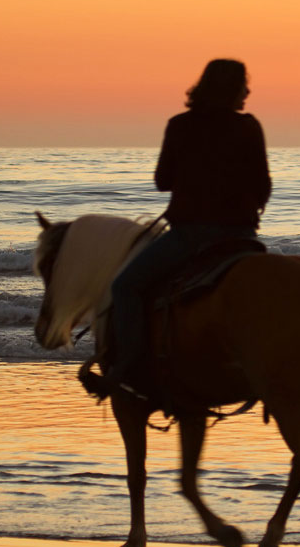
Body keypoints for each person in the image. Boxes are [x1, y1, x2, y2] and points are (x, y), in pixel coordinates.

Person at [108, 58, 271, 394]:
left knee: (125, 287)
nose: (248, 90)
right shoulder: (249, 126)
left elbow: (162, 181)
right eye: (243, 84)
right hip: (241, 237)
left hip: (191, 236)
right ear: (231, 89)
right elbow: (263, 185)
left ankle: (129, 364)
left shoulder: (180, 125)